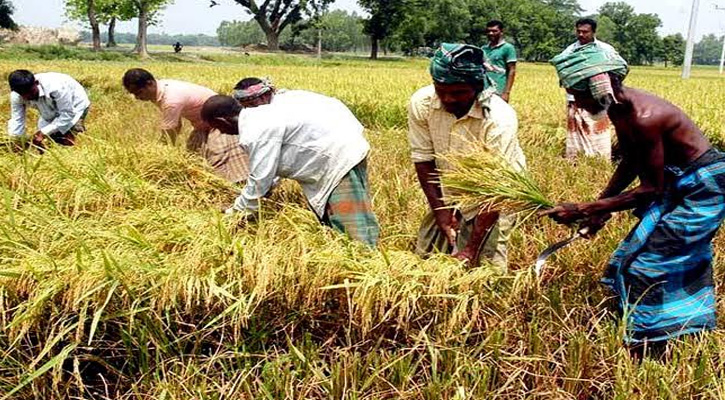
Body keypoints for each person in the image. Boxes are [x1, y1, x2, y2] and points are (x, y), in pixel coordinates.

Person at [544, 43, 725, 351]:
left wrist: (586, 207)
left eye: (579, 93)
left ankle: (652, 339)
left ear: (598, 86)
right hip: (678, 180)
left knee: (652, 262)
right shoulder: (619, 108)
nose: (577, 102)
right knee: (641, 250)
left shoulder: (643, 116)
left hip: (704, 186)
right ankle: (670, 323)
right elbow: (631, 161)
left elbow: (650, 189)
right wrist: (600, 209)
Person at [200, 93, 380, 247]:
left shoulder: (255, 130)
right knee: (337, 216)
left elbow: (259, 179)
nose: (221, 133)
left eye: (217, 127)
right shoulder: (259, 118)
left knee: (351, 221)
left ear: (221, 120)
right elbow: (271, 170)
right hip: (334, 155)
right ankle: (354, 256)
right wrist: (265, 190)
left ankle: (365, 264)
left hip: (337, 157)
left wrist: (236, 213)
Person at [408, 43, 527, 271]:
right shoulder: (422, 103)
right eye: (440, 90)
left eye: (458, 92)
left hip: (498, 192)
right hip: (450, 185)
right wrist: (442, 214)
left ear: (476, 87)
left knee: (487, 267)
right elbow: (424, 160)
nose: (448, 99)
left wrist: (472, 249)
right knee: (427, 257)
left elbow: (494, 189)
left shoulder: (499, 118)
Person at [122, 68, 248, 184]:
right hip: (201, 124)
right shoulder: (161, 90)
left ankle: (232, 186)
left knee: (218, 157)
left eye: (139, 92)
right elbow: (175, 126)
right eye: (134, 94)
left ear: (150, 83)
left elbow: (169, 132)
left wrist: (158, 155)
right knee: (193, 157)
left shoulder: (171, 99)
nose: (138, 97)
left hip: (220, 122)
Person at [561, 18, 619, 160]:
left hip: (599, 99)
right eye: (578, 31)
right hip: (575, 99)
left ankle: (600, 160)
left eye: (585, 32)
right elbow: (563, 70)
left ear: (593, 32)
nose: (581, 35)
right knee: (576, 131)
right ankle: (574, 159)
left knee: (598, 130)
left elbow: (618, 69)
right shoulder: (570, 50)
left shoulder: (605, 49)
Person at [7, 69, 90, 151]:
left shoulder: (56, 87)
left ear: (36, 83)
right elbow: (17, 120)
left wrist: (43, 133)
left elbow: (67, 114)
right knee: (51, 140)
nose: (27, 97)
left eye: (30, 92)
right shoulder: (16, 96)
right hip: (48, 111)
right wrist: (16, 140)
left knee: (67, 138)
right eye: (23, 94)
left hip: (75, 106)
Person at [481, 20, 517, 102]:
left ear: (501, 32)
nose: (490, 33)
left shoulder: (508, 48)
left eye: (494, 31)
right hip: (483, 89)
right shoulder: (483, 49)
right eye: (488, 31)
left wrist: (506, 93)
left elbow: (512, 70)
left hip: (499, 89)